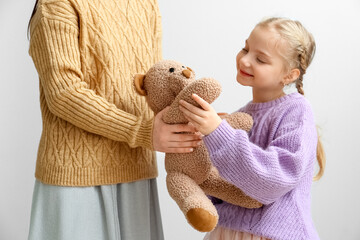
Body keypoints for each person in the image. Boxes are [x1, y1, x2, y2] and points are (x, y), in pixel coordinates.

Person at [26, 0, 202, 239]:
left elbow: (151, 83)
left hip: (136, 170)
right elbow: (64, 93)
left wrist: (186, 119)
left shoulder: (146, 4)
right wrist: (143, 131)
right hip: (77, 176)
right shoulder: (58, 5)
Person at [179, 17, 325, 240]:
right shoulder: (240, 117)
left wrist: (218, 133)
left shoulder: (297, 110)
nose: (245, 60)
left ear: (289, 75)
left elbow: (273, 181)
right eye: (245, 48)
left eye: (260, 59)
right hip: (224, 231)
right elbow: (222, 187)